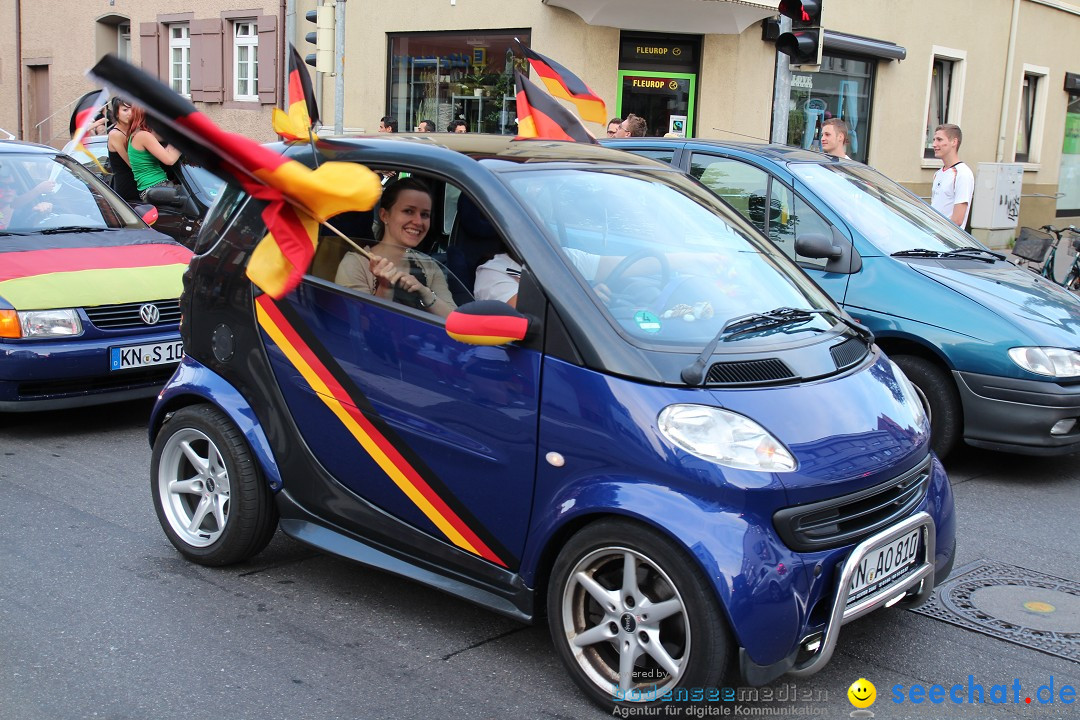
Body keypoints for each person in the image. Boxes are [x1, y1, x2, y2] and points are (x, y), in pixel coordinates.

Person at [335, 177, 456, 317]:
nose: (418, 222)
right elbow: (360, 327)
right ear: (384, 215)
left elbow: (456, 322)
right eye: (408, 211)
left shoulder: (429, 266)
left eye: (425, 215)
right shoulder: (355, 264)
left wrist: (426, 293)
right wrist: (385, 288)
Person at [128, 106, 181, 201]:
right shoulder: (143, 136)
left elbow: (167, 139)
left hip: (152, 188)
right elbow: (170, 160)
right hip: (155, 187)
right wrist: (185, 145)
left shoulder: (137, 134)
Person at [930, 123, 974, 228]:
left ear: (954, 142)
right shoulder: (938, 174)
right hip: (931, 239)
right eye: (934, 140)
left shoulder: (962, 174)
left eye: (939, 140)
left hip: (946, 241)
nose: (934, 144)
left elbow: (958, 220)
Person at [106, 98, 139, 204]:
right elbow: (132, 163)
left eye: (132, 110)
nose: (130, 113)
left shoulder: (132, 130)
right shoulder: (116, 134)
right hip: (127, 188)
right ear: (116, 113)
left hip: (137, 184)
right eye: (125, 110)